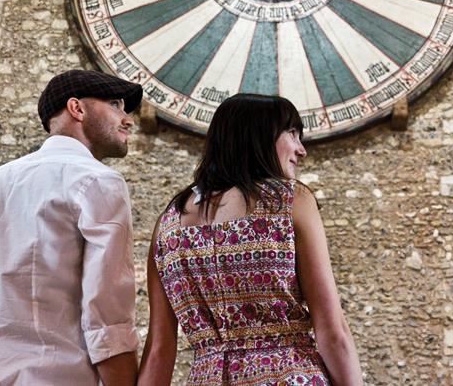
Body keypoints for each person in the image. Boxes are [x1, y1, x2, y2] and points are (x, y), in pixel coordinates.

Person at [0, 69, 143, 385]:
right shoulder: (97, 182)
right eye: (115, 104)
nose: (128, 120)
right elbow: (108, 317)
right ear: (77, 109)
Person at [138, 94, 363, 385]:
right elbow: (333, 332)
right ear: (257, 136)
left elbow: (159, 350)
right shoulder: (289, 201)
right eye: (292, 133)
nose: (301, 149)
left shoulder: (168, 222)